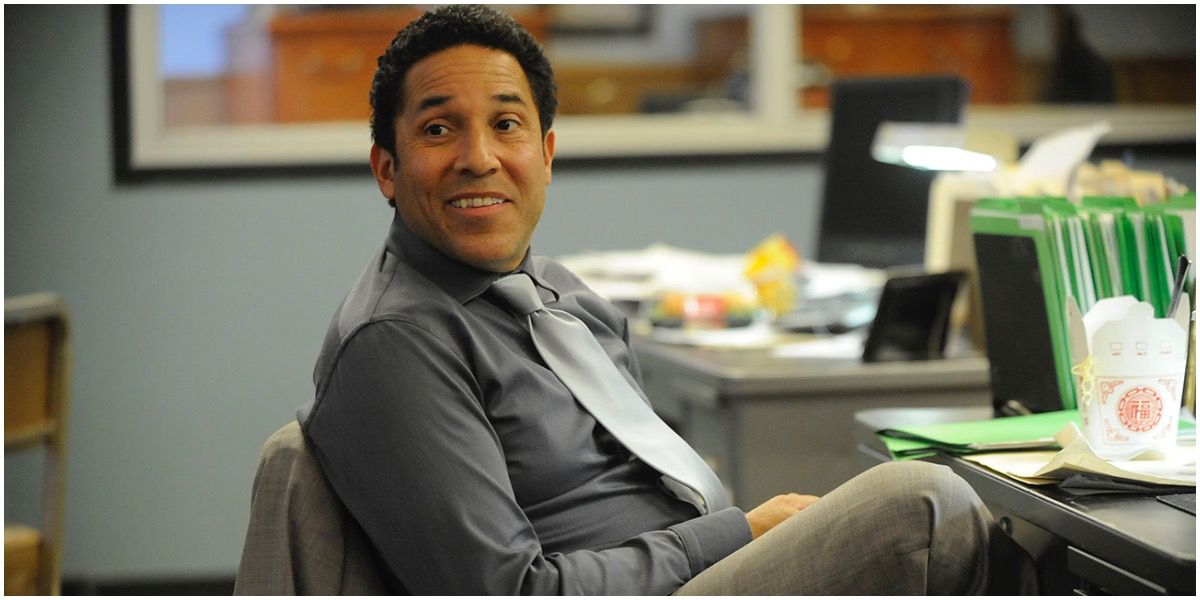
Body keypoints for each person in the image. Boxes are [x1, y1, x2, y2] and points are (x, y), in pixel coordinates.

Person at [299, 5, 1031, 595]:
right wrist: (736, 535)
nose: (479, 156)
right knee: (921, 507)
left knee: (1016, 521)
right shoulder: (398, 340)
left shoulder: (560, 296)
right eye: (438, 128)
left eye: (506, 123)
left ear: (546, 155)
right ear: (387, 169)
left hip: (697, 563)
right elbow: (511, 591)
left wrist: (741, 536)